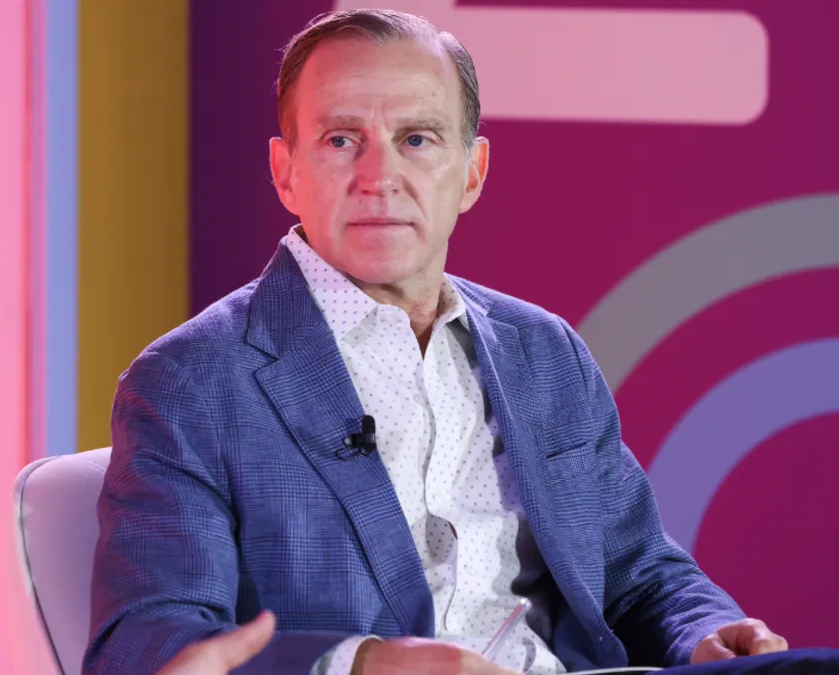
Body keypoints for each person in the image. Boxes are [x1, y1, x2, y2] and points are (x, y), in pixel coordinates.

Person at [85, 9, 839, 675]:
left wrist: (702, 628)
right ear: (286, 171)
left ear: (471, 172)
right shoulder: (190, 382)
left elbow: (638, 570)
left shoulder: (544, 352)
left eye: (417, 139)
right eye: (343, 139)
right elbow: (148, 642)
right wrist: (359, 664)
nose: (380, 176)